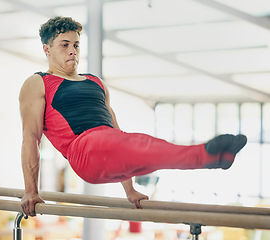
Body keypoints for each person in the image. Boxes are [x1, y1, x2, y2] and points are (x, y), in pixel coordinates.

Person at [19, 16, 247, 217]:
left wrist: (130, 190)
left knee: (143, 146)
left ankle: (216, 158)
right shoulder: (38, 82)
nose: (73, 51)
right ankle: (205, 155)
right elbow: (31, 139)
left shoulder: (95, 82)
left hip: (106, 146)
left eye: (76, 44)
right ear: (47, 50)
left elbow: (118, 138)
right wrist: (31, 191)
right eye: (64, 45)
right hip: (82, 151)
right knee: (137, 144)